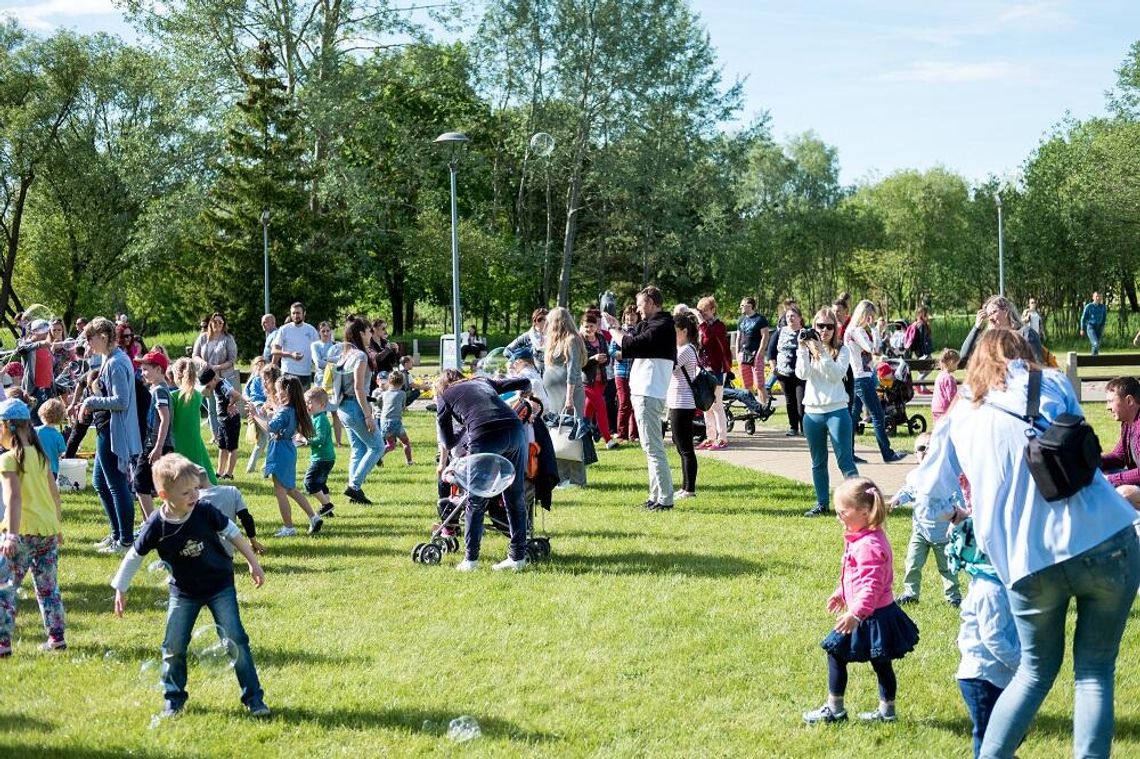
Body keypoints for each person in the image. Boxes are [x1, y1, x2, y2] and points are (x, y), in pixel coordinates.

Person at [906, 329, 1140, 757]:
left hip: (1028, 559)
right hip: (1106, 535)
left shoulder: (960, 414)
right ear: (1023, 354)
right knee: (1094, 671)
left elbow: (929, 495)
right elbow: (1075, 438)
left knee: (1033, 673)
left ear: (976, 361)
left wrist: (957, 520)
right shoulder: (1049, 382)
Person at [110, 453, 270, 719]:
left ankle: (254, 698)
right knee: (173, 645)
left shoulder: (205, 511)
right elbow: (134, 556)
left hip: (220, 584)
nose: (195, 495)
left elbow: (232, 532)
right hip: (183, 591)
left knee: (236, 640)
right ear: (164, 495)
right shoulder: (156, 525)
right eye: (186, 492)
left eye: (196, 488)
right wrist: (121, 587)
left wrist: (252, 562)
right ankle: (173, 700)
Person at [803, 476, 919, 725]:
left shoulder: (868, 545)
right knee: (881, 662)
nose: (838, 517)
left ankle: (835, 710)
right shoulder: (866, 537)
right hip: (877, 613)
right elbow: (855, 577)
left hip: (870, 616)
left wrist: (855, 613)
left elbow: (872, 586)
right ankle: (886, 712)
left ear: (865, 511)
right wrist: (841, 593)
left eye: (843, 512)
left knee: (836, 652)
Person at [434, 369, 532, 571]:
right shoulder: (483, 381)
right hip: (514, 430)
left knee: (475, 499)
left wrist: (464, 427)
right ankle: (517, 557)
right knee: (515, 496)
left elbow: (447, 441)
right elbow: (524, 381)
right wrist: (526, 393)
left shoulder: (445, 395)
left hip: (485, 434)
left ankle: (470, 560)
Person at [949, 519, 1021, 759]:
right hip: (981, 678)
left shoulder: (994, 584)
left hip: (994, 674)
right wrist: (1022, 664)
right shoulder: (990, 591)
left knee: (1008, 733)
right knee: (989, 735)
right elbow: (994, 637)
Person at [0, 397, 65, 655]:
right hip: (47, 530)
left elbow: (13, 498)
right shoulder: (40, 456)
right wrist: (57, 526)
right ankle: (57, 637)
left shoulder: (7, 460)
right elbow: (54, 494)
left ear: (6, 427)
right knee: (48, 587)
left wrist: (11, 536)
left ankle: (3, 643)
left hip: (22, 532)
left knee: (5, 587)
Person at [605, 286, 676, 511]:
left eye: (641, 303)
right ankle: (655, 495)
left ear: (653, 302)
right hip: (644, 392)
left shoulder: (662, 326)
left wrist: (614, 328)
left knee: (653, 448)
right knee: (649, 448)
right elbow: (632, 343)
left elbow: (629, 344)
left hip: (649, 393)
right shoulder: (652, 325)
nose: (637, 308)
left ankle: (665, 499)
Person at [81, 318, 143, 553]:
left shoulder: (117, 362)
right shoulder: (109, 359)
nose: (88, 343)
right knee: (99, 482)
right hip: (104, 427)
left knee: (116, 485)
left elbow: (122, 400)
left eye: (90, 337)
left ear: (104, 337)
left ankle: (126, 540)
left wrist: (91, 400)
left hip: (112, 430)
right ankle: (117, 534)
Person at [891, 432, 965, 607]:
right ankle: (911, 593)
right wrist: (896, 500)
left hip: (944, 534)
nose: (925, 451)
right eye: (921, 448)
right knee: (912, 563)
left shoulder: (947, 478)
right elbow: (908, 491)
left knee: (947, 568)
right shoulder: (914, 475)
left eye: (930, 448)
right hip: (920, 532)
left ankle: (953, 596)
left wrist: (957, 522)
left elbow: (958, 501)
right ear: (915, 454)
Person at [798, 309, 858, 517]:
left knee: (845, 461)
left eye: (829, 327)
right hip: (812, 413)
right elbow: (802, 373)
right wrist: (802, 349)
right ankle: (822, 504)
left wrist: (821, 351)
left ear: (835, 328)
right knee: (818, 462)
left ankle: (858, 504)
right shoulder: (807, 347)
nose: (824, 331)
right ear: (813, 326)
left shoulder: (843, 350)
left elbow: (835, 375)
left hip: (837, 411)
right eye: (819, 326)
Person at [247, 377, 324, 537]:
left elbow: (270, 428)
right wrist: (265, 415)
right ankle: (314, 517)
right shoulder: (293, 409)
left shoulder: (285, 410)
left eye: (278, 390)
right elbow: (275, 423)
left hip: (279, 449)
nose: (276, 393)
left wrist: (255, 415)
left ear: (285, 392)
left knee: (280, 491)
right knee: (290, 489)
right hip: (288, 448)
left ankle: (289, 527)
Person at [844, 300, 905, 463]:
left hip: (856, 377)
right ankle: (888, 454)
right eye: (870, 316)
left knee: (853, 417)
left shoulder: (850, 330)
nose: (871, 319)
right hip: (863, 378)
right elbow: (875, 349)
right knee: (878, 415)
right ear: (865, 315)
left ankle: (848, 454)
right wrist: (874, 330)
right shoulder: (857, 331)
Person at [333, 317, 384, 504]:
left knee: (358, 449)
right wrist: (368, 416)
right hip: (355, 407)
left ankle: (355, 491)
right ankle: (354, 487)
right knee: (377, 446)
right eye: (369, 331)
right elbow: (358, 388)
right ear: (361, 333)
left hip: (343, 408)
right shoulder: (360, 356)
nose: (371, 334)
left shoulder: (345, 354)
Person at [543, 307, 589, 487]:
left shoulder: (571, 340)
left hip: (570, 393)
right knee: (559, 433)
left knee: (574, 434)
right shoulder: (556, 341)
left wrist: (569, 397)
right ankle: (562, 477)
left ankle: (577, 479)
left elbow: (573, 371)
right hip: (555, 394)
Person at [135, 350, 176, 520]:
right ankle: (150, 523)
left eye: (146, 369)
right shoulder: (156, 389)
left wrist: (158, 446)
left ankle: (152, 523)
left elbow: (164, 418)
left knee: (140, 483)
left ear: (159, 370)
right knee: (153, 485)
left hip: (157, 445)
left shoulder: (159, 391)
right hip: (156, 444)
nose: (142, 373)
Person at [667, 311, 701, 501]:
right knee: (680, 446)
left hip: (683, 402)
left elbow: (670, 366)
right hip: (677, 402)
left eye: (675, 332)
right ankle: (685, 486)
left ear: (684, 331)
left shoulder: (687, 349)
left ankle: (690, 488)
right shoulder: (682, 349)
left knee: (686, 448)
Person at [169, 358, 217, 486]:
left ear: (177, 375)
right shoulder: (197, 395)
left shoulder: (173, 396)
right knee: (200, 472)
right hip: (194, 439)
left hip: (179, 440)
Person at [196, 466, 264, 556]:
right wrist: (253, 542)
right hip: (227, 555)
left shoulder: (192, 500)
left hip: (202, 557)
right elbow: (246, 519)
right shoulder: (232, 491)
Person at [192, 313, 239, 441]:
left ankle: (228, 432)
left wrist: (217, 367)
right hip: (207, 378)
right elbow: (194, 355)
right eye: (215, 321)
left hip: (224, 377)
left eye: (220, 322)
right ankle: (216, 435)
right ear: (210, 323)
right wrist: (204, 363)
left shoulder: (228, 339)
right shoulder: (202, 338)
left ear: (224, 324)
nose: (217, 324)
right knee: (211, 407)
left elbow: (232, 359)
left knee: (225, 406)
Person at [959, 295, 1044, 365]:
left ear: (1006, 310)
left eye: (993, 312)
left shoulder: (1026, 333)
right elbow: (963, 357)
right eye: (988, 315)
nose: (990, 318)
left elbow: (1036, 366)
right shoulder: (991, 340)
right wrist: (976, 327)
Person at [696, 296, 733, 451]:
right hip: (703, 370)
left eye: (705, 311)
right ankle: (710, 437)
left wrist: (702, 323)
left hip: (717, 370)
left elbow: (710, 338)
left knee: (717, 405)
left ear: (713, 310)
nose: (703, 314)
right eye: (700, 311)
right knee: (707, 406)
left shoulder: (719, 326)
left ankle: (722, 437)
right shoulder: (700, 327)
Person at [198, 367, 243, 481]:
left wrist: (230, 405)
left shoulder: (222, 385)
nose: (208, 388)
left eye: (208, 385)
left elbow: (237, 395)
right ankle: (219, 472)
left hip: (231, 420)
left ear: (213, 379)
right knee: (222, 447)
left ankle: (229, 474)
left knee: (231, 448)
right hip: (222, 421)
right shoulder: (217, 385)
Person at [580, 313, 616, 448]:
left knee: (588, 411)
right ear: (582, 326)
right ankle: (608, 439)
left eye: (591, 326)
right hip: (587, 382)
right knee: (601, 406)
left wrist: (603, 359)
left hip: (601, 381)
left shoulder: (601, 338)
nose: (589, 329)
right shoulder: (580, 341)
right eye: (586, 326)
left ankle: (583, 438)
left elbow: (607, 357)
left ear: (597, 326)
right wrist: (593, 359)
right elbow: (580, 363)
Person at [302, 387, 337, 519]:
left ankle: (327, 505)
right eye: (306, 403)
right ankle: (329, 511)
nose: (307, 406)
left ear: (322, 405)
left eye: (310, 403)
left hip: (322, 458)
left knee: (310, 482)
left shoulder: (321, 419)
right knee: (320, 483)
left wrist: (306, 440)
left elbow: (320, 439)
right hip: (324, 457)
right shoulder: (315, 418)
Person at [1101, 376, 1140, 490]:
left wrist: (1110, 479)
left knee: (1125, 492)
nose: (1108, 407)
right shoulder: (1128, 423)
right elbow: (1119, 457)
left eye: (1110, 401)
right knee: (1103, 472)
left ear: (1129, 401)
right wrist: (1091, 462)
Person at [310, 321, 344, 447]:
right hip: (321, 381)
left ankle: (339, 441)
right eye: (323, 331)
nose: (325, 333)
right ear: (319, 332)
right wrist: (332, 362)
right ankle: (320, 437)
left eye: (328, 330)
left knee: (335, 411)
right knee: (319, 410)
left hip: (335, 381)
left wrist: (327, 360)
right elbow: (318, 363)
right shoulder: (315, 345)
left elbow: (342, 360)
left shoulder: (337, 345)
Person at [609, 305, 639, 443]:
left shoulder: (640, 331)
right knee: (624, 402)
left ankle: (635, 435)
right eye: (628, 314)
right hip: (621, 372)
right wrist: (626, 353)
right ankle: (622, 434)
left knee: (636, 404)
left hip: (636, 372)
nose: (630, 317)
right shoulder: (618, 331)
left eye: (633, 315)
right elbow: (612, 351)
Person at [774, 306, 805, 437]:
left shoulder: (805, 332)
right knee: (789, 401)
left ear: (799, 318)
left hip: (800, 373)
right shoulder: (780, 331)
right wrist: (774, 367)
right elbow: (771, 351)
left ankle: (805, 428)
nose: (789, 319)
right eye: (787, 316)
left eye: (792, 316)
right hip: (784, 373)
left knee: (801, 401)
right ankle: (793, 427)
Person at [272, 302, 320, 388]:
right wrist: (290, 354)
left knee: (304, 401)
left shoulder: (311, 330)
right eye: (293, 313)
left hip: (305, 373)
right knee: (287, 400)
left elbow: (318, 351)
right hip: (287, 372)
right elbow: (274, 351)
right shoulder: (284, 329)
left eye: (298, 313)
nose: (295, 315)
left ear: (304, 313)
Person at [735, 296, 771, 403]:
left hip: (756, 354)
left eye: (742, 305)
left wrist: (760, 352)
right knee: (747, 384)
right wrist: (737, 353)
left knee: (759, 384)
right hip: (743, 354)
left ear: (750, 306)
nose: (740, 307)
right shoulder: (741, 320)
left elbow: (765, 336)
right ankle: (752, 407)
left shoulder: (760, 319)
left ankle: (764, 407)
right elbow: (738, 337)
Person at [377, 371, 414, 465]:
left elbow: (379, 404)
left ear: (389, 382)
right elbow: (403, 406)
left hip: (384, 422)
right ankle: (409, 462)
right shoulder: (402, 393)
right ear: (402, 382)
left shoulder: (384, 394)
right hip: (396, 422)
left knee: (390, 445)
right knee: (406, 443)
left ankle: (377, 456)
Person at [506, 308, 548, 373]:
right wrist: (521, 359)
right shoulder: (527, 337)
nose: (548, 322)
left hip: (548, 374)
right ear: (537, 321)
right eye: (545, 320)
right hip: (532, 374)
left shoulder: (552, 336)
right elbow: (507, 350)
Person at [34, 398, 68, 476]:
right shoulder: (58, 436)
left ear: (42, 413)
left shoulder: (35, 431)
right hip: (52, 469)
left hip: (36, 467)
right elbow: (61, 452)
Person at [931, 349, 960, 423]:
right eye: (956, 364)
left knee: (939, 429)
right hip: (945, 409)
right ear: (951, 363)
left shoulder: (939, 376)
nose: (957, 367)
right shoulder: (949, 378)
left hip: (936, 407)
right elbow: (952, 397)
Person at [1080, 291, 1107, 355]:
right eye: (1096, 296)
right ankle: (1093, 359)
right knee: (1095, 343)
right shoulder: (1089, 306)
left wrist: (1103, 327)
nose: (1098, 298)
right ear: (1093, 297)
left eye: (1100, 297)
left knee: (1096, 345)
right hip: (1091, 327)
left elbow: (1104, 319)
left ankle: (1094, 360)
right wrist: (1082, 329)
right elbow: (1083, 318)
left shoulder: (1103, 307)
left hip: (1099, 327)